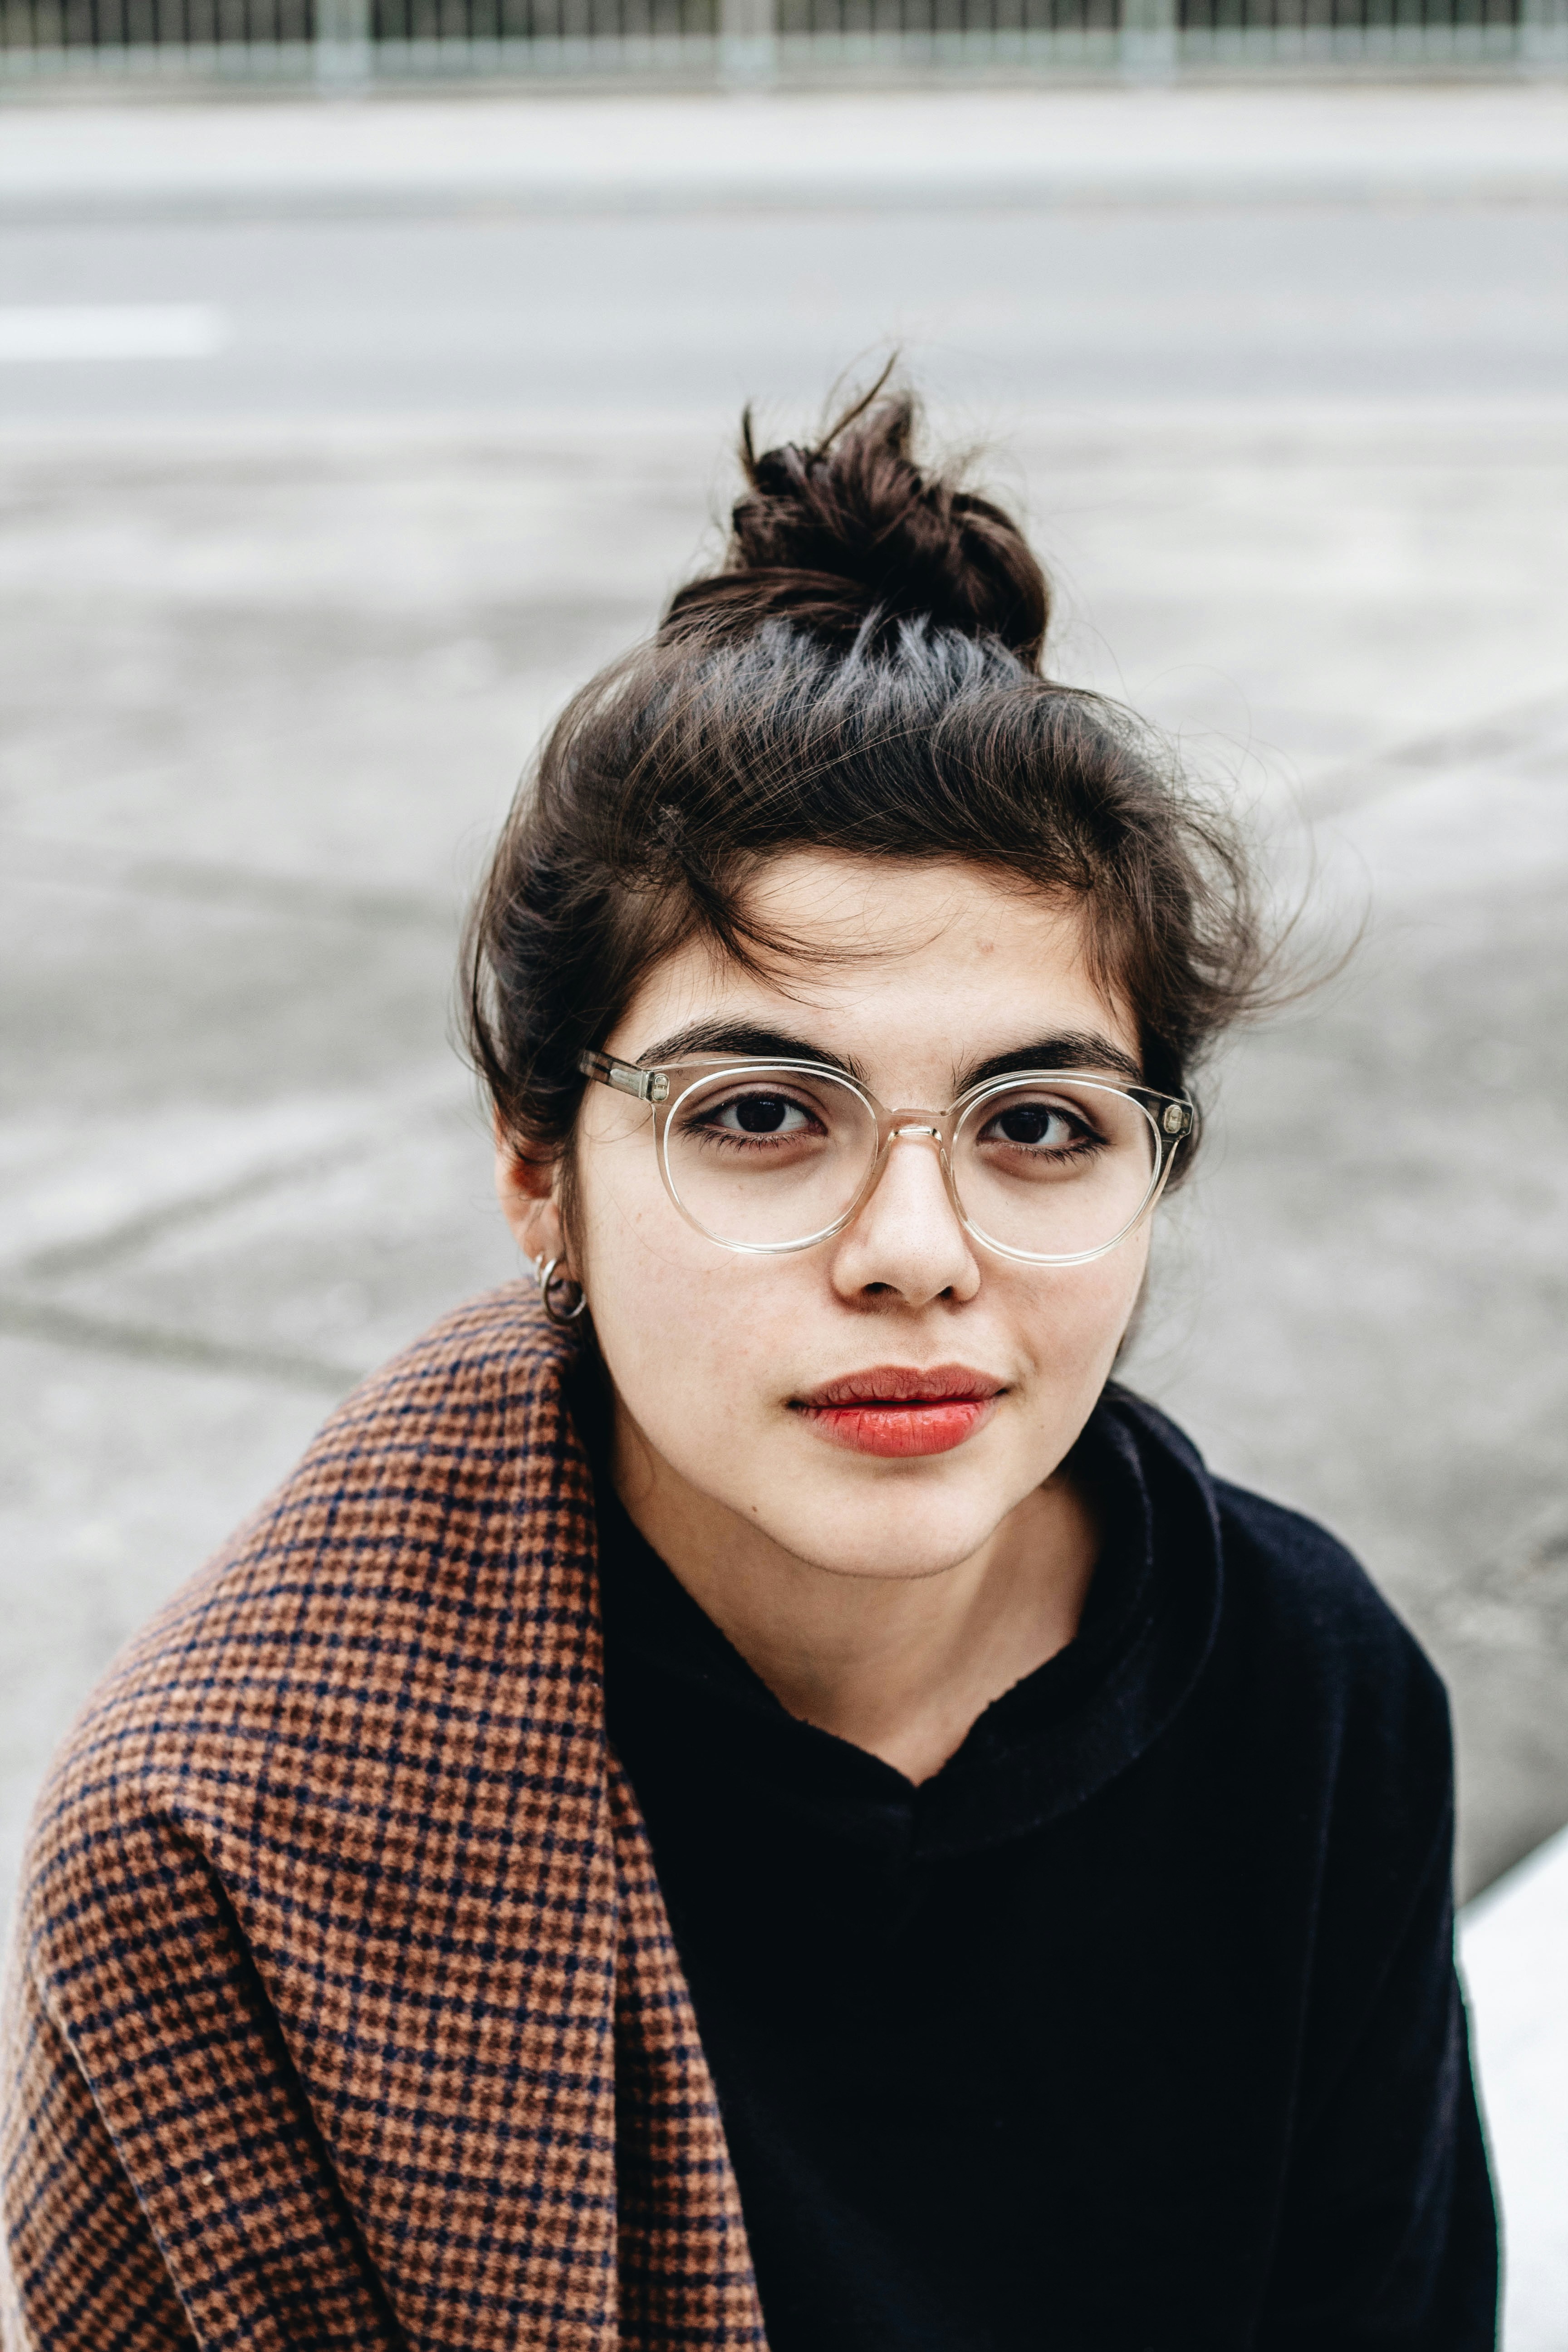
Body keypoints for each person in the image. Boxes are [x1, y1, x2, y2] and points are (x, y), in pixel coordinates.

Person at [1, 385, 1495, 2352]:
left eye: (1039, 1125)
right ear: (543, 1172)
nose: (913, 1254)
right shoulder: (225, 1843)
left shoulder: (1308, 1690)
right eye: (762, 1116)